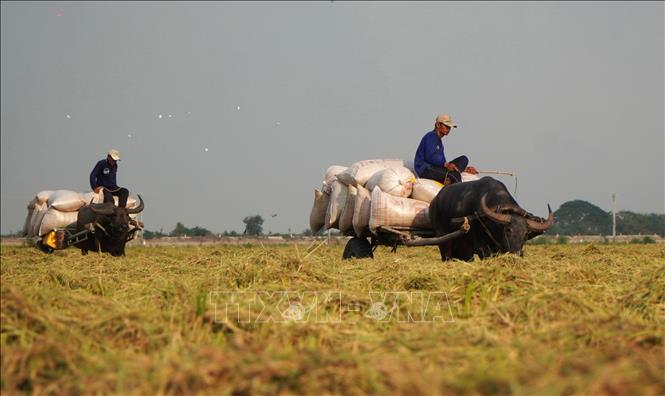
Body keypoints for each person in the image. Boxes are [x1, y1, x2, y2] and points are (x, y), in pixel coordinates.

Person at [414, 114, 478, 185]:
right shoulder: (431, 136)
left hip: (435, 167)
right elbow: (430, 157)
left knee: (464, 159)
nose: (448, 129)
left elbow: (442, 162)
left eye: (449, 127)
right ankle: (456, 193)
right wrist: (446, 165)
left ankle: (449, 178)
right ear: (438, 125)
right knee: (454, 175)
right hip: (425, 168)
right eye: (446, 126)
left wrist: (465, 169)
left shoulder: (439, 142)